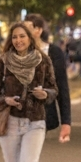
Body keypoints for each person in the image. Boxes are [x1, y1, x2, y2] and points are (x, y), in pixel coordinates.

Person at [0, 20, 58, 162]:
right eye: (14, 37)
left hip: (35, 123)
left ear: (30, 38)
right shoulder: (4, 61)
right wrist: (6, 100)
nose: (18, 40)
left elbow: (54, 89)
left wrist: (45, 94)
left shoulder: (43, 60)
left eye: (22, 36)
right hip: (10, 122)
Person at [27, 13, 71, 144]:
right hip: (18, 115)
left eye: (27, 29)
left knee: (30, 156)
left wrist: (66, 122)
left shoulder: (54, 53)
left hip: (42, 114)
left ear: (38, 30)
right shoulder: (16, 52)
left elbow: (62, 87)